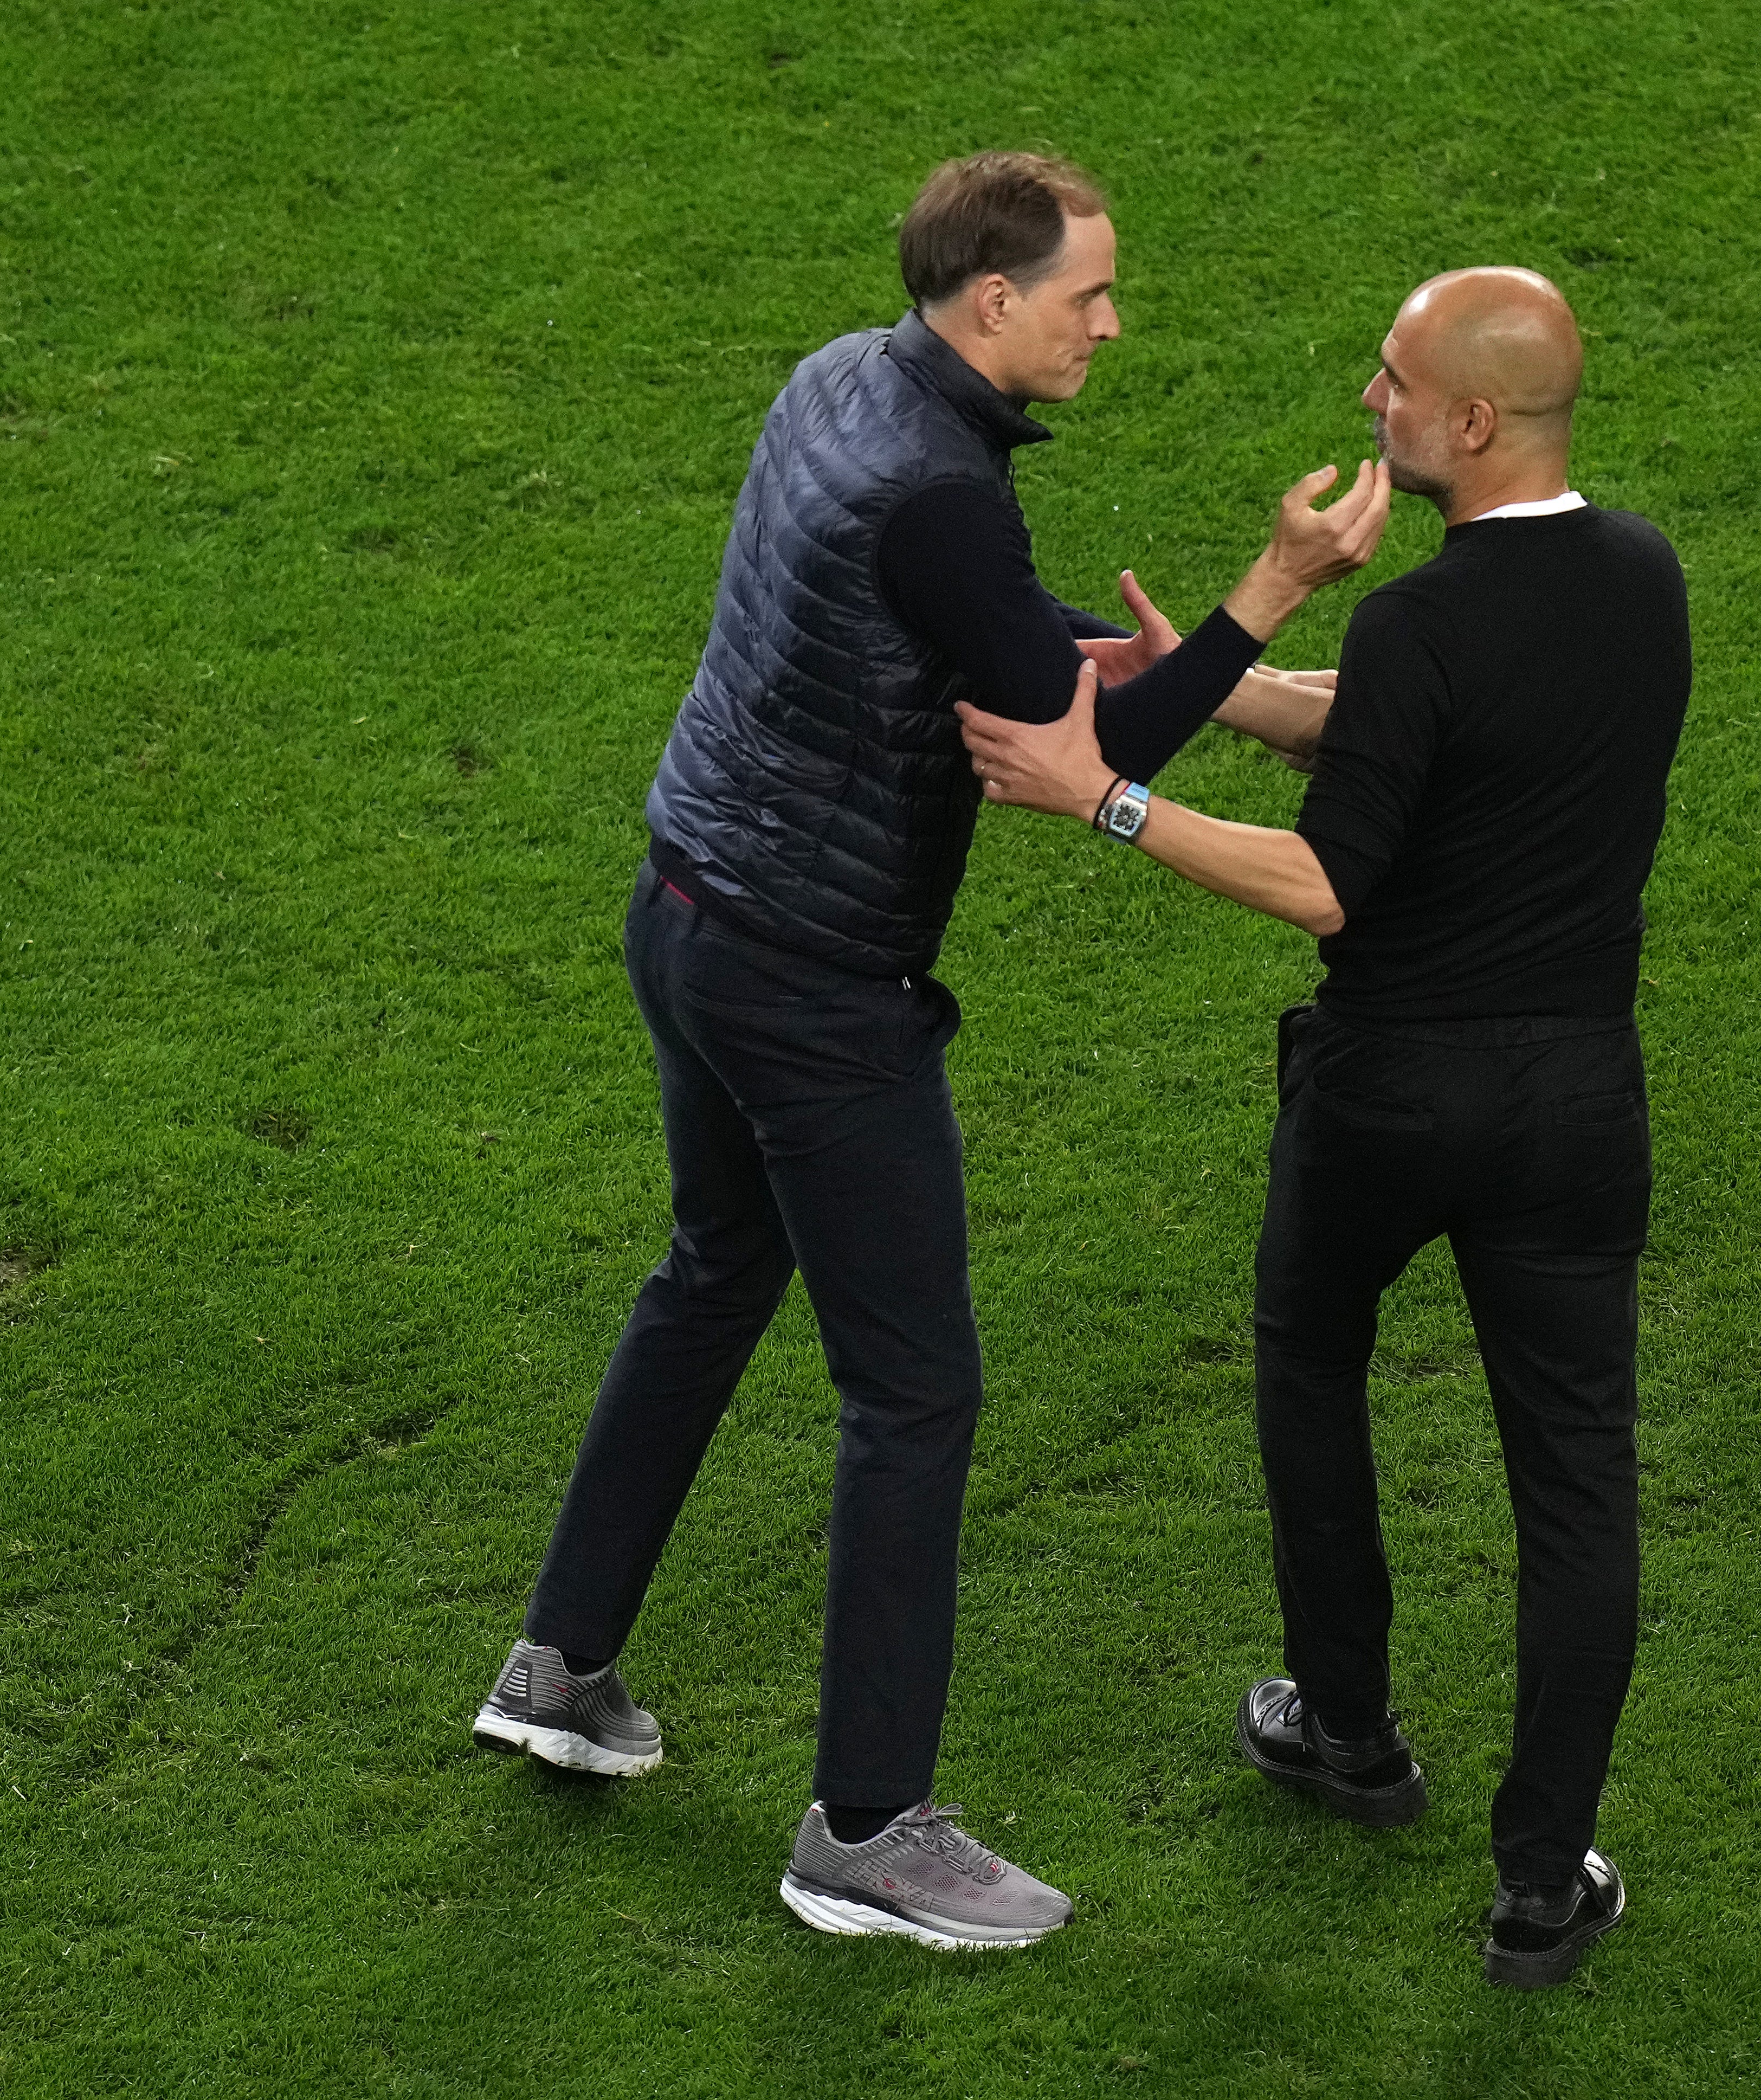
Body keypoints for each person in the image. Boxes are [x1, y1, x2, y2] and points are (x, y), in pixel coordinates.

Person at [469, 151, 1390, 1952]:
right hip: (815, 983)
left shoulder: (843, 377)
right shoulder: (944, 502)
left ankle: (560, 1663)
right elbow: (1077, 748)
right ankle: (869, 1827)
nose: (1112, 324)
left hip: (686, 909)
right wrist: (1270, 592)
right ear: (994, 303)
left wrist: (1079, 638)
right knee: (916, 1391)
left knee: (713, 1270)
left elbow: (960, 624)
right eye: (1088, 298)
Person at [957, 266, 1691, 1988]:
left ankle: (1345, 1730)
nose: (1370, 404)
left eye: (1391, 383)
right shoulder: (1641, 578)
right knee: (1574, 1484)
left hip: (1386, 1091)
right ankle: (1536, 1882)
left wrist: (1109, 793)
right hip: (1575, 1100)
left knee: (1308, 1358)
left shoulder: (1424, 623)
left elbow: (1326, 879)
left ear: (1470, 423)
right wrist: (1210, 684)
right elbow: (1416, 737)